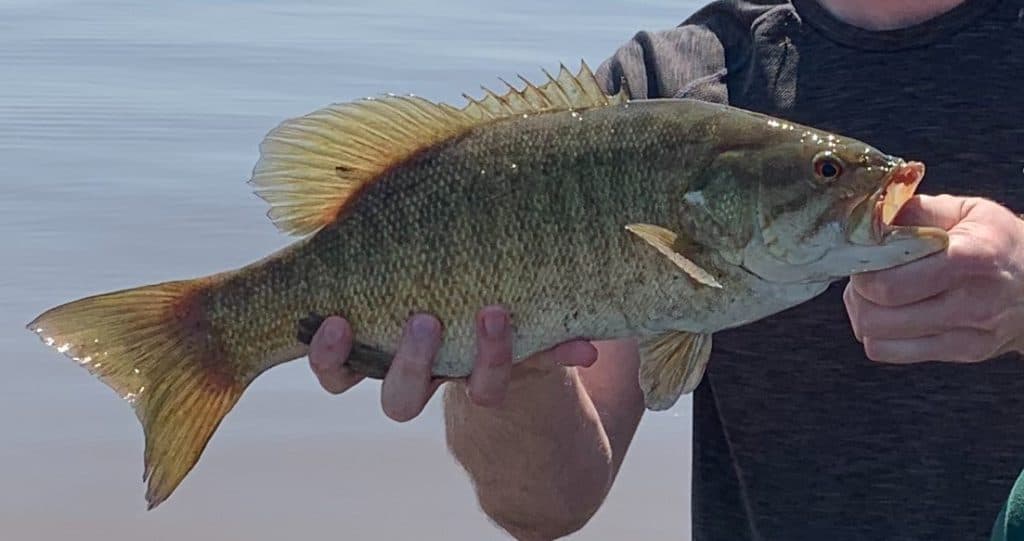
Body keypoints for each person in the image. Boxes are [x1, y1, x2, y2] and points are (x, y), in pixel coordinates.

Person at [305, 0, 1024, 539]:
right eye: (828, 172)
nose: (854, 184)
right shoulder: (667, 87)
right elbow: (547, 503)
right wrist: (513, 359)